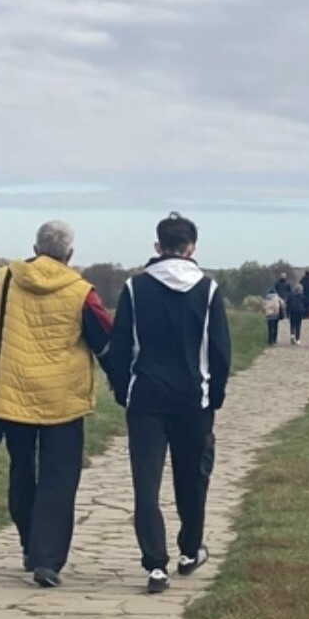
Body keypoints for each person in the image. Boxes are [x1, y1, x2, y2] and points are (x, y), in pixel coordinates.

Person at [0, 221, 112, 588]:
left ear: (35, 246)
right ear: (70, 255)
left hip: (14, 397)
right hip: (64, 399)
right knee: (59, 479)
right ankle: (47, 560)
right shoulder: (81, 292)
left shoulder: (6, 281)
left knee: (22, 472)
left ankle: (30, 544)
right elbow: (105, 342)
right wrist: (125, 385)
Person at [107, 212, 231, 594]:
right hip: (195, 399)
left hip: (145, 397)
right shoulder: (208, 290)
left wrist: (121, 390)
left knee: (146, 482)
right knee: (192, 478)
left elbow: (120, 347)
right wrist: (217, 395)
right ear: (192, 247)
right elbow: (220, 350)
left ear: (157, 247)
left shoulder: (134, 288)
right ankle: (190, 550)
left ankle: (155, 564)